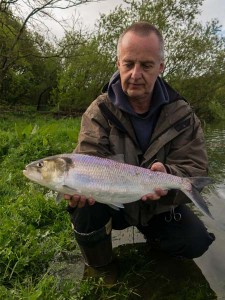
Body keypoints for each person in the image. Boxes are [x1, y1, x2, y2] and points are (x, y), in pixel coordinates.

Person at [64, 22, 215, 270]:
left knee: (195, 242)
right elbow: (88, 160)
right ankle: (101, 266)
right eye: (129, 64)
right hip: (113, 201)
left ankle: (157, 242)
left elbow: (195, 167)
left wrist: (169, 176)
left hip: (157, 205)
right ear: (118, 64)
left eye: (146, 65)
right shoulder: (99, 111)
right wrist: (78, 187)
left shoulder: (183, 115)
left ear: (160, 67)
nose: (135, 74)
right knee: (85, 210)